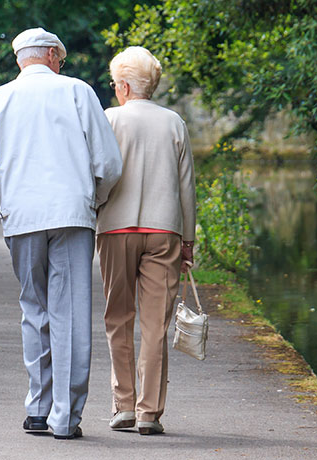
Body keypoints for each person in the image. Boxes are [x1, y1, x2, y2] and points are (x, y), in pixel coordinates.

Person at [0, 27, 122, 440]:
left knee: (35, 309)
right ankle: (64, 418)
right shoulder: (78, 92)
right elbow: (108, 164)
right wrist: (95, 200)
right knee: (70, 314)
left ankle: (37, 408)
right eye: (60, 59)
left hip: (23, 217)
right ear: (52, 54)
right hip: (71, 215)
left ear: (20, 60)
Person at [96, 46, 196, 436]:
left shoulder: (110, 119)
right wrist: (188, 240)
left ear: (123, 85)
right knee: (156, 324)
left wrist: (97, 208)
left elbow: (100, 174)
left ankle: (123, 405)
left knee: (118, 318)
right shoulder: (174, 123)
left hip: (116, 229)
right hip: (164, 230)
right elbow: (187, 188)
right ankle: (148, 413)